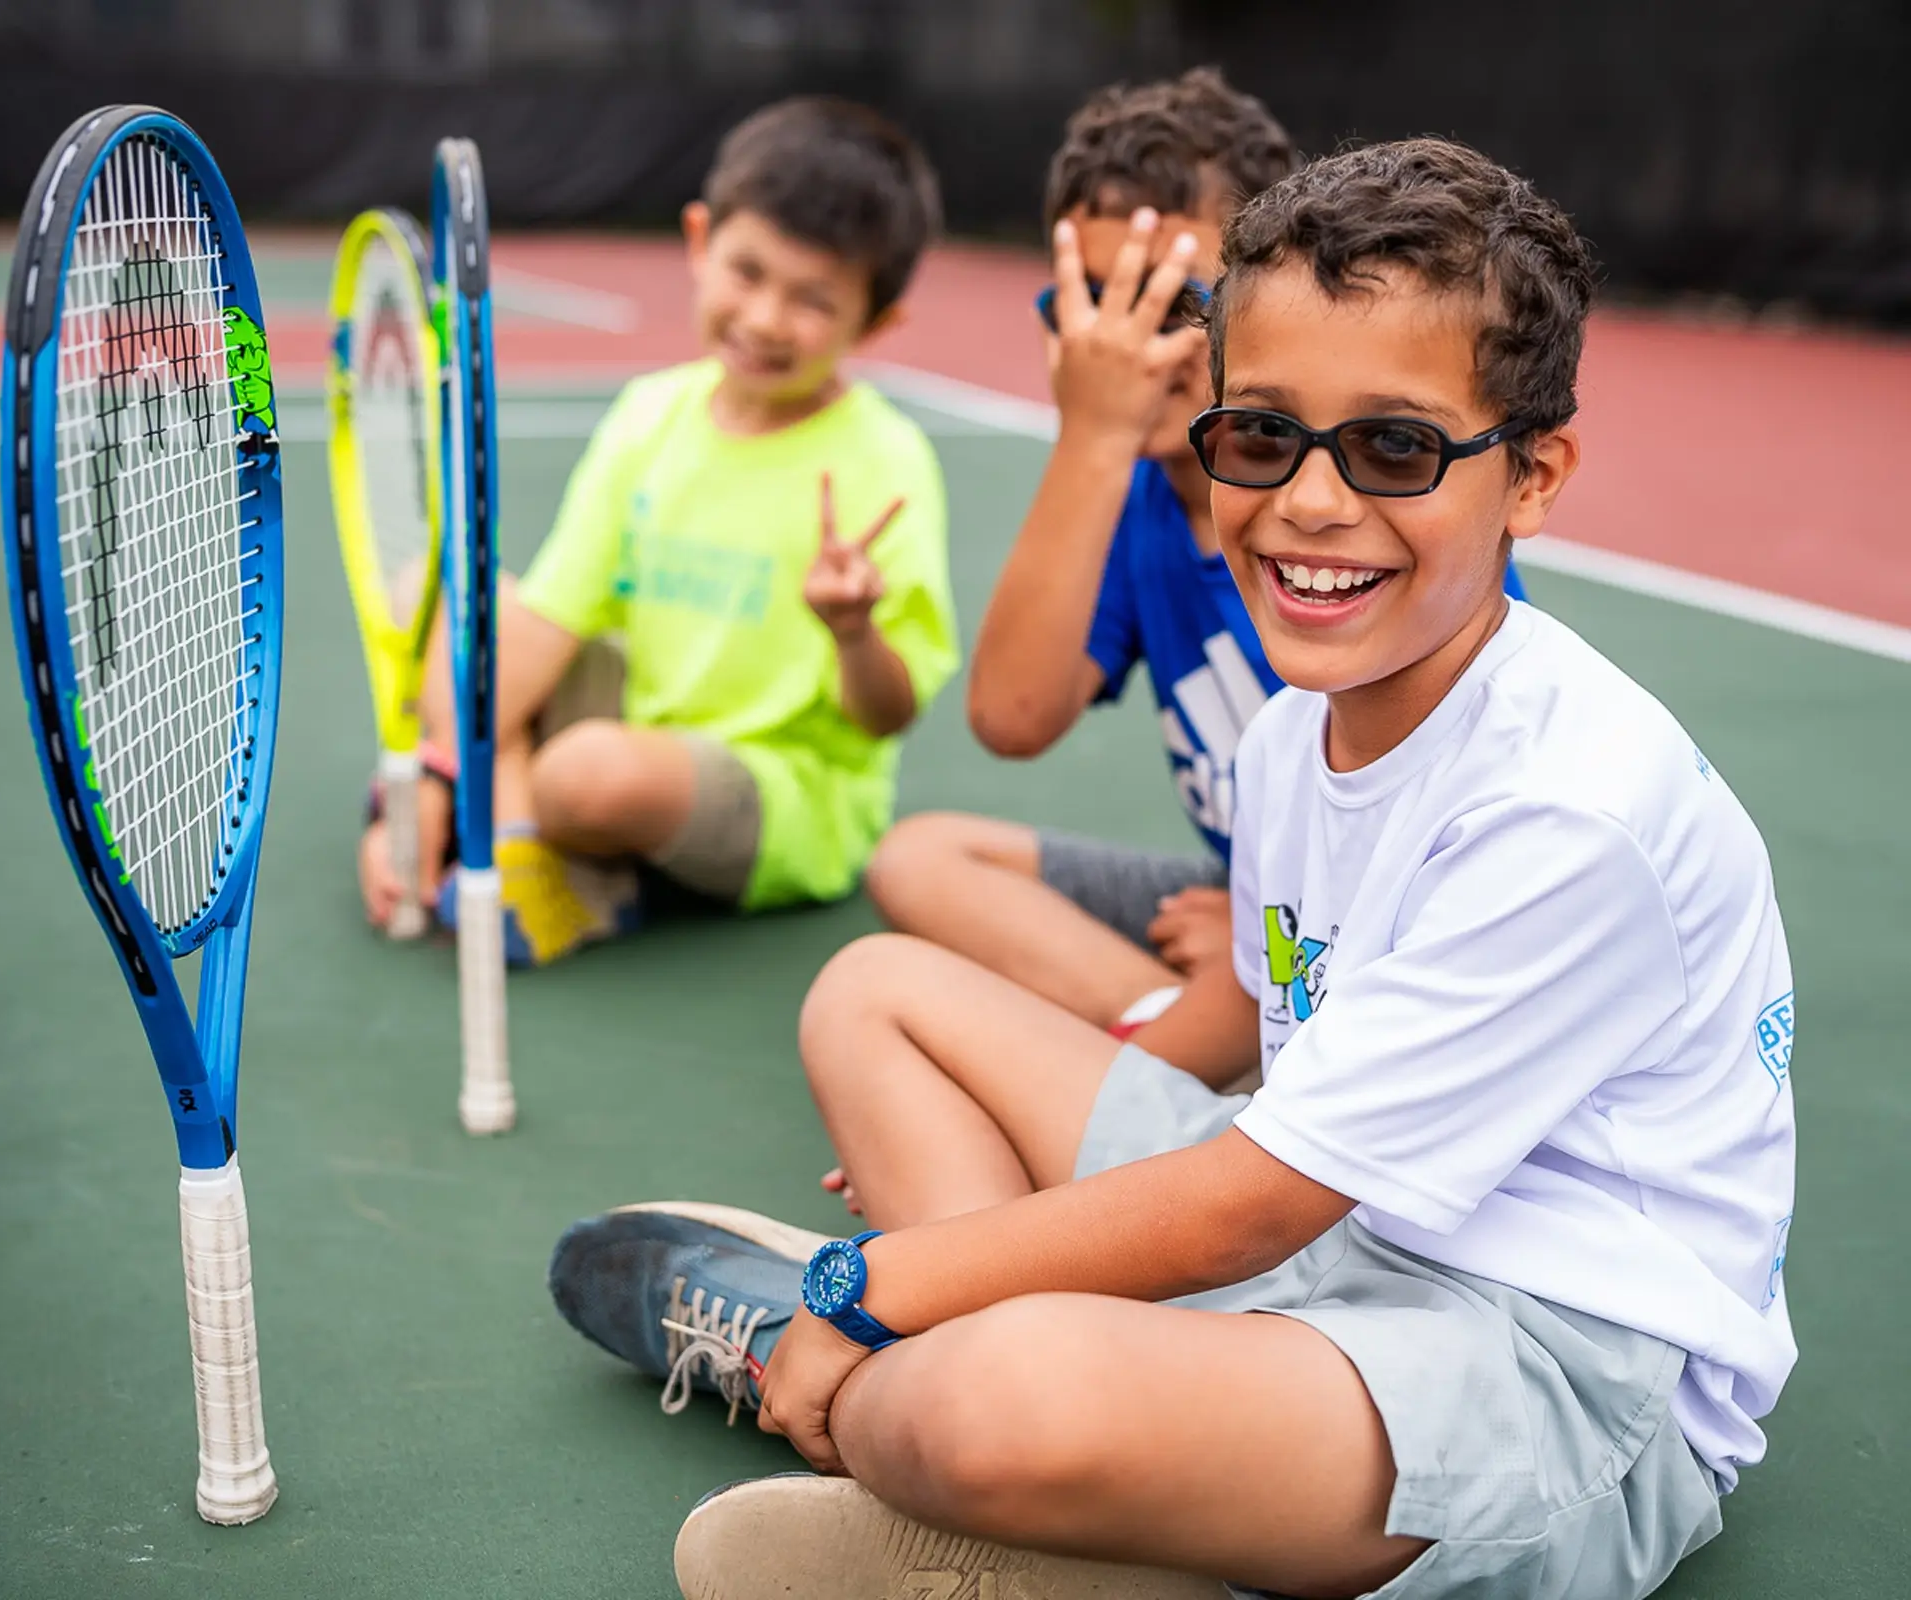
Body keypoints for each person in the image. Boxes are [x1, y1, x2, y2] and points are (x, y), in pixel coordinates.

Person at [549, 138, 1798, 1600]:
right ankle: (1008, 1473)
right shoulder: (1288, 744)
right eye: (1261, 436)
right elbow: (1271, 1130)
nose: (1312, 502)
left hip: (1563, 1373)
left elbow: (1247, 1207)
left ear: (1533, 476)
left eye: (1395, 447)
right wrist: (984, 1261)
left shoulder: (1568, 810)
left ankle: (869, 1394)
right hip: (1346, 1238)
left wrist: (873, 1284)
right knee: (874, 992)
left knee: (995, 1400)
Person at [861, 72, 1528, 1053]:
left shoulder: (1356, 532)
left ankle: (1199, 1041)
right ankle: (1183, 1036)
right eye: (1090, 299)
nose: (1123, 339)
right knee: (924, 857)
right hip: (1241, 902)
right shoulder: (1134, 503)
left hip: (1398, 916)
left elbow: (1435, 836)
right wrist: (1086, 438)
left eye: (1169, 300)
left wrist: (1269, 931)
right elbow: (1010, 717)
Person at [356, 97, 959, 965]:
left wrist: (853, 630)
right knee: (440, 597)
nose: (763, 319)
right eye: (747, 272)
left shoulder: (886, 461)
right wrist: (429, 787)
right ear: (698, 238)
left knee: (589, 773)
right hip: (634, 711)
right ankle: (522, 847)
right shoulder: (650, 416)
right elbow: (540, 634)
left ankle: (550, 849)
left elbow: (884, 717)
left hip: (781, 791)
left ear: (877, 323)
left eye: (812, 300)